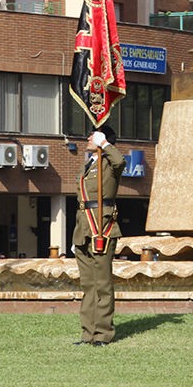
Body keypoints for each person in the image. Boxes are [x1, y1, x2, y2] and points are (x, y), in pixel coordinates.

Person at [72, 125, 126, 346]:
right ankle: (88, 334)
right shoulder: (89, 163)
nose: (88, 137)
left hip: (101, 226)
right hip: (84, 226)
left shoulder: (110, 163)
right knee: (88, 285)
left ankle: (102, 334)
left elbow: (121, 162)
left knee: (102, 284)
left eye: (92, 135)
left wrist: (106, 144)